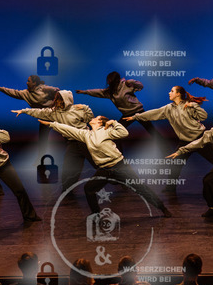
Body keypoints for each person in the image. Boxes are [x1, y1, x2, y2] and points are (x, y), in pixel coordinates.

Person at [40, 116, 171, 217]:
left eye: (95, 118)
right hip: (104, 169)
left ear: (100, 122)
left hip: (120, 166)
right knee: (89, 188)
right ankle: (96, 214)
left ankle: (162, 208)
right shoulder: (86, 135)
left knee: (140, 188)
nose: (92, 118)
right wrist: (51, 124)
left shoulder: (106, 131)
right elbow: (68, 129)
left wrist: (113, 122)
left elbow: (124, 133)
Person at [127, 86, 213, 193]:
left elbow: (203, 116)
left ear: (178, 94)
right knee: (175, 163)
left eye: (172, 91)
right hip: (185, 142)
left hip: (200, 138)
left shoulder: (188, 106)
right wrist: (136, 117)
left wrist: (194, 105)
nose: (169, 93)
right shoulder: (168, 108)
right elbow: (154, 113)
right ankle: (170, 187)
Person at [12, 90, 96, 193]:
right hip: (72, 143)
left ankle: (113, 176)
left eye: (59, 99)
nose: (56, 101)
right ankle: (67, 189)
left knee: (99, 163)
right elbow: (40, 112)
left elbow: (90, 119)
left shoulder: (77, 110)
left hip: (85, 141)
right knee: (69, 167)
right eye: (56, 99)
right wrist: (24, 111)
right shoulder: (54, 112)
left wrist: (85, 108)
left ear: (65, 100)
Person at [76, 71, 167, 150]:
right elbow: (98, 92)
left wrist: (132, 82)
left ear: (116, 80)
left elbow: (141, 86)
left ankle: (165, 148)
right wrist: (85, 92)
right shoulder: (110, 92)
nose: (109, 82)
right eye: (109, 81)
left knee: (151, 130)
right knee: (115, 132)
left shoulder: (126, 85)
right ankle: (119, 155)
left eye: (111, 80)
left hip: (138, 111)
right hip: (127, 114)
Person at [0, 75, 59, 153]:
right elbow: (14, 92)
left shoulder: (44, 89)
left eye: (29, 81)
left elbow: (58, 91)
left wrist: (54, 100)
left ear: (34, 83)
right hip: (45, 117)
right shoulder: (26, 93)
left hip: (56, 114)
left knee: (66, 132)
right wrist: (0, 88)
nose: (27, 83)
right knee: (43, 138)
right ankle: (42, 156)